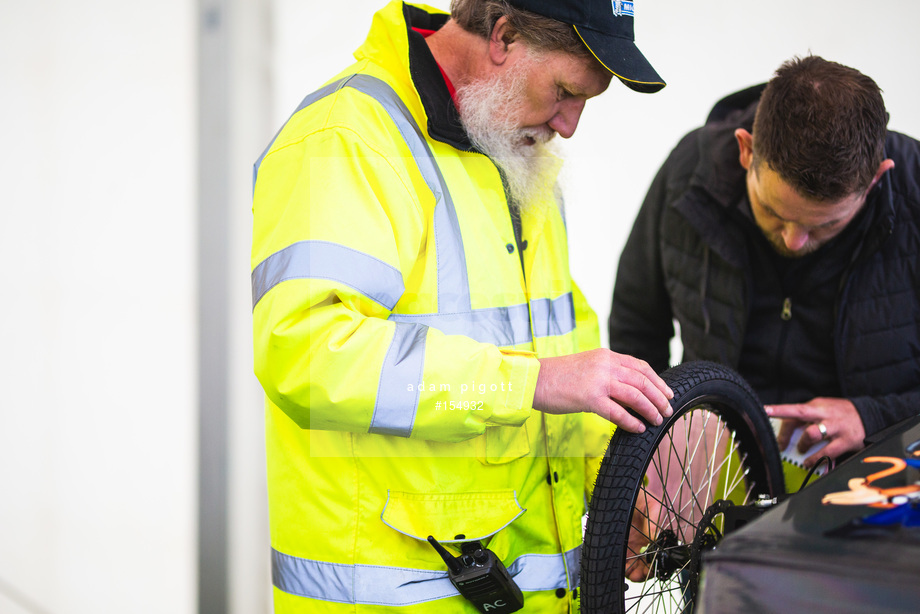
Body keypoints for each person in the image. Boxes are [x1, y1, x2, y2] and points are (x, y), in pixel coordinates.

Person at [251, 0, 671, 611]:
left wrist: (611, 485)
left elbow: (564, 352)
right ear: (502, 36)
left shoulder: (513, 149)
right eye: (564, 90)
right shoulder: (346, 138)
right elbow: (309, 355)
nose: (570, 124)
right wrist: (527, 381)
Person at [609, 55, 920, 471]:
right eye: (774, 212)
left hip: (878, 479)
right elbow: (637, 326)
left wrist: (874, 417)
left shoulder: (914, 191)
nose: (794, 240)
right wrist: (655, 444)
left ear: (876, 179)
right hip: (713, 473)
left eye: (826, 225)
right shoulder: (689, 173)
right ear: (746, 149)